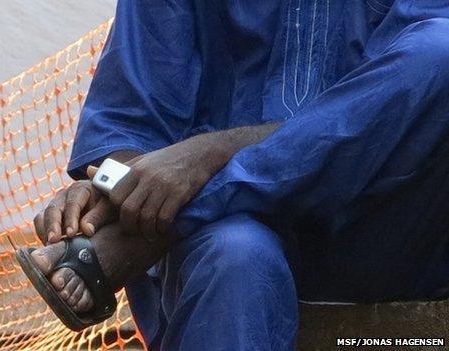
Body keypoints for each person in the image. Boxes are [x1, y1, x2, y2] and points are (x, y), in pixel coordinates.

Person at [26, 1, 449, 349]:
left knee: (441, 50)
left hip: (383, 237)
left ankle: (154, 233)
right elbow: (127, 122)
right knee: (236, 255)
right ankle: (165, 224)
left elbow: (392, 111)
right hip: (228, 240)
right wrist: (114, 189)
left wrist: (209, 155)